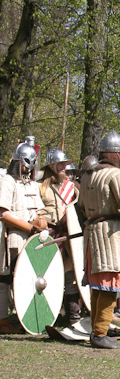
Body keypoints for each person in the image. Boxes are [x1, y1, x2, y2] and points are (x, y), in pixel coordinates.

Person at [77, 131, 120, 349]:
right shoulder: (115, 174)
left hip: (91, 234)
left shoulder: (87, 175)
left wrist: (89, 224)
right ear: (115, 155)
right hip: (110, 236)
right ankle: (99, 334)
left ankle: (98, 330)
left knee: (98, 287)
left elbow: (79, 209)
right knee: (109, 285)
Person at [0, 142, 47, 333]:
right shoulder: (8, 181)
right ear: (18, 162)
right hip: (13, 237)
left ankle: (22, 318)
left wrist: (41, 222)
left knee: (29, 278)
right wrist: (29, 227)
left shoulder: (33, 185)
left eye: (32, 164)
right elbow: (4, 213)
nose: (28, 168)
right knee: (7, 278)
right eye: (26, 163)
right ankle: (3, 321)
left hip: (31, 239)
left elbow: (40, 211)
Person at [39, 148, 81, 327]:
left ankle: (73, 317)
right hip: (49, 237)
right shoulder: (40, 188)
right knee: (49, 277)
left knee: (70, 277)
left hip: (68, 239)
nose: (64, 167)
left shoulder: (72, 188)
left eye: (65, 164)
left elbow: (80, 208)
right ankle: (50, 316)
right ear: (51, 166)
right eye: (60, 164)